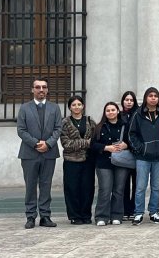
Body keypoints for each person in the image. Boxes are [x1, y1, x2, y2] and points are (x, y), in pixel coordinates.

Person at [17, 77, 62, 229]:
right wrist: (36, 143)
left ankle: (45, 216)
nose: (41, 90)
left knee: (46, 185)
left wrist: (48, 144)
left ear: (47, 90)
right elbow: (21, 130)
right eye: (38, 87)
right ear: (32, 89)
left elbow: (58, 129)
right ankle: (30, 217)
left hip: (49, 153)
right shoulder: (24, 108)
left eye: (44, 87)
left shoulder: (55, 108)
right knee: (30, 186)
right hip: (29, 153)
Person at [128, 87, 159, 225]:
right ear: (146, 98)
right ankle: (138, 213)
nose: (153, 98)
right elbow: (131, 134)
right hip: (143, 157)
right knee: (140, 187)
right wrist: (141, 148)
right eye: (150, 95)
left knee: (156, 187)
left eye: (155, 96)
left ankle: (154, 212)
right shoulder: (138, 114)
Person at [60, 95, 97, 225]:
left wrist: (83, 143)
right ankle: (74, 215)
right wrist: (86, 142)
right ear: (70, 107)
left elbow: (95, 141)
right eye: (74, 105)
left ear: (83, 106)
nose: (77, 107)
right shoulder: (65, 122)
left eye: (79, 104)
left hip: (88, 160)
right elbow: (66, 144)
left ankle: (86, 214)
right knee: (72, 188)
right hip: (71, 160)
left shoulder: (90, 121)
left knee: (87, 188)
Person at [92, 102, 129, 226]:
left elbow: (133, 139)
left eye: (113, 110)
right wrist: (106, 147)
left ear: (118, 111)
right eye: (108, 110)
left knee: (119, 190)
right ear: (105, 113)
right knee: (105, 190)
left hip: (121, 162)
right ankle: (101, 216)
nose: (111, 112)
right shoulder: (99, 127)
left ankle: (117, 215)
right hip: (104, 163)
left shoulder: (125, 126)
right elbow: (93, 145)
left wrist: (126, 144)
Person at [119, 91, 139, 220]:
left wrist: (129, 145)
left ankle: (134, 209)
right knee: (124, 183)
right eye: (126, 100)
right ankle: (125, 209)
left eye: (131, 100)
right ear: (123, 101)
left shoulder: (138, 115)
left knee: (137, 183)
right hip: (122, 154)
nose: (129, 102)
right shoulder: (119, 115)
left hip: (136, 153)